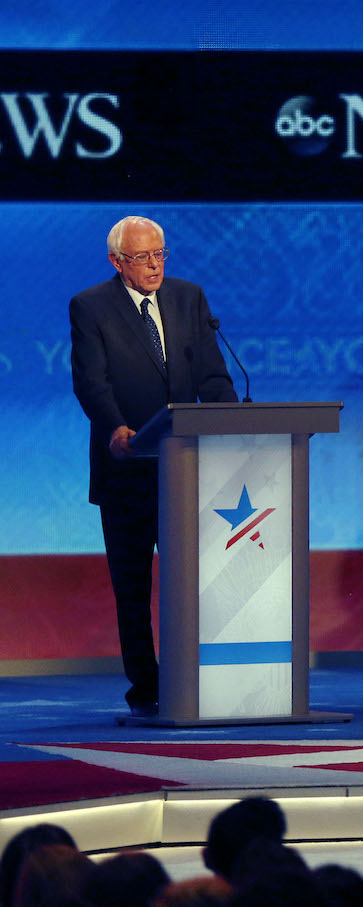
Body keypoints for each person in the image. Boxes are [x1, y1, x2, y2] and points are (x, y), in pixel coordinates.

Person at [69, 216, 237, 717]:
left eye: (160, 254)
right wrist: (116, 428)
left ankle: (206, 678)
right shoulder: (91, 306)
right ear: (117, 261)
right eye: (142, 258)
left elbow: (213, 374)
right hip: (126, 470)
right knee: (134, 588)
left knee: (202, 580)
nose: (154, 266)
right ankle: (147, 687)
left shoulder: (190, 298)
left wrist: (234, 427)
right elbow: (91, 382)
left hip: (188, 472)